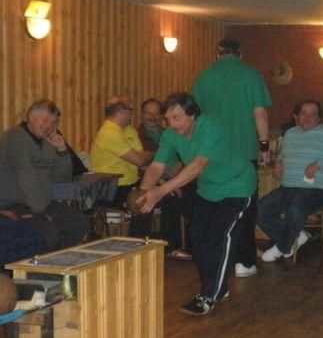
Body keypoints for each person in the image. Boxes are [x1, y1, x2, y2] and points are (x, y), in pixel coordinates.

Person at [137, 93, 256, 316]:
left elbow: (198, 165)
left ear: (192, 115)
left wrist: (161, 191)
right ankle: (217, 287)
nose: (171, 124)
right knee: (197, 236)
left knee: (221, 236)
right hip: (209, 190)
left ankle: (209, 296)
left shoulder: (213, 127)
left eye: (177, 118)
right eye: (168, 119)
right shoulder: (170, 135)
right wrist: (144, 194)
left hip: (237, 186)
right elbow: (156, 167)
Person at [192, 39, 272, 278]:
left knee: (213, 206)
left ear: (217, 53)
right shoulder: (252, 75)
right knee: (244, 208)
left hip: (211, 152)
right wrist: (264, 146)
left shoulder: (204, 76)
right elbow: (260, 114)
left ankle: (216, 260)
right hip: (243, 152)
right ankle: (244, 261)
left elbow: (194, 116)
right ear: (240, 54)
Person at [258, 100, 323, 262]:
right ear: (297, 116)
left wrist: (318, 164)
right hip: (288, 188)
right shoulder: (290, 133)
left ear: (319, 118)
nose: (307, 117)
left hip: (317, 190)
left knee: (296, 206)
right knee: (259, 210)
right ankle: (295, 236)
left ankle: (284, 246)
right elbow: (282, 154)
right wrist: (278, 162)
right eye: (303, 113)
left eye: (312, 114)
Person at [0, 100, 89, 251]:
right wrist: (41, 212)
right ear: (31, 117)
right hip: (15, 204)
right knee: (48, 232)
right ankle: (40, 263)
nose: (49, 126)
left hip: (42, 203)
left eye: (54, 123)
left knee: (79, 222)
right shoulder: (15, 138)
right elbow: (26, 179)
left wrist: (62, 151)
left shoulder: (48, 143)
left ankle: (57, 259)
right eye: (45, 120)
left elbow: (61, 179)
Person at [90, 95, 156, 238]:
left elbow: (140, 156)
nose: (132, 113)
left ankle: (153, 242)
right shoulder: (109, 133)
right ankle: (136, 243)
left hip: (128, 183)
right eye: (129, 110)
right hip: (111, 188)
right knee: (142, 202)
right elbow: (140, 160)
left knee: (162, 196)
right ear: (121, 112)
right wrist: (152, 153)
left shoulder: (127, 129)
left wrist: (145, 157)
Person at [137, 97, 194, 260]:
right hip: (148, 180)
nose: (152, 117)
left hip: (173, 177)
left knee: (193, 196)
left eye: (156, 113)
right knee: (164, 198)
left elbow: (181, 160)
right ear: (142, 115)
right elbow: (144, 165)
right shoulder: (138, 135)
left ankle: (192, 243)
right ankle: (166, 247)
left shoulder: (167, 132)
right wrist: (164, 183)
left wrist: (172, 177)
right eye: (148, 113)